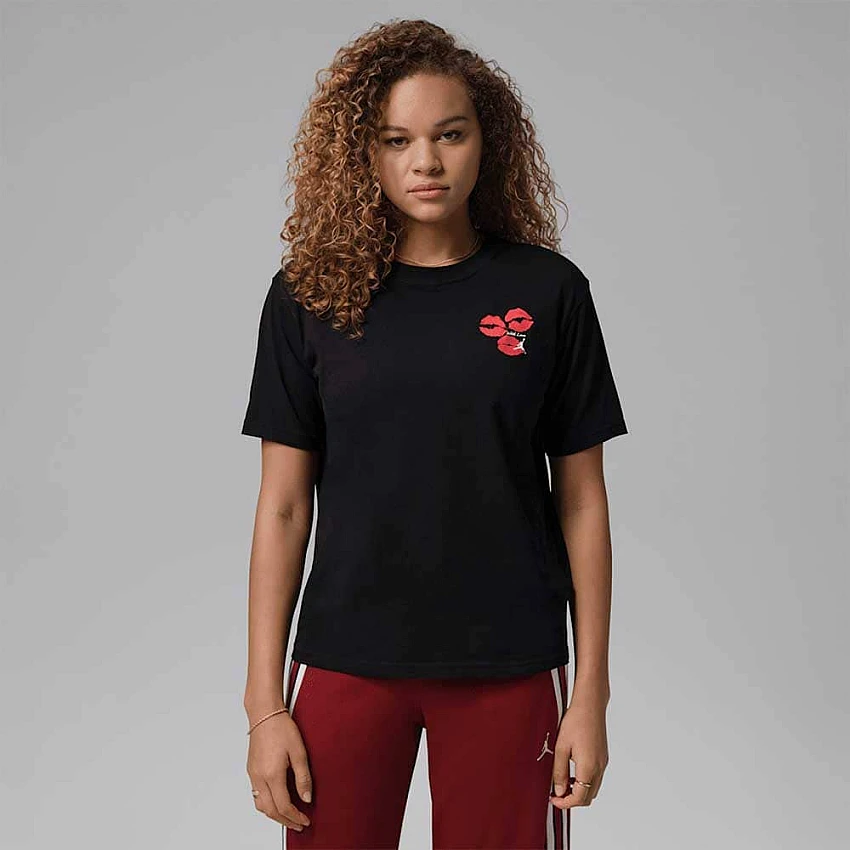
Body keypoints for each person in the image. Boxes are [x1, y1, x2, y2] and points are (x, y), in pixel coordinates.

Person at [240, 18, 628, 850]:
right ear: (364, 153)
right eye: (397, 139)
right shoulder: (309, 297)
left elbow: (583, 502)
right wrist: (263, 704)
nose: (426, 161)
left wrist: (591, 692)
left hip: (510, 664)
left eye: (450, 134)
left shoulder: (549, 293)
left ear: (487, 141)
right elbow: (282, 508)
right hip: (344, 658)